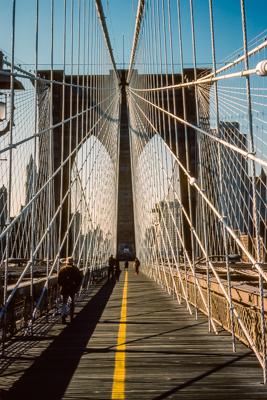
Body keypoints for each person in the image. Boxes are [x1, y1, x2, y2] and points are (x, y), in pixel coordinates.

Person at [58, 257, 82, 324]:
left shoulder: (62, 269)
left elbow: (59, 280)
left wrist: (62, 285)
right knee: (72, 302)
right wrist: (77, 287)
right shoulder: (76, 269)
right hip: (72, 288)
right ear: (72, 262)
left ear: (66, 262)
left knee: (64, 302)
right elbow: (79, 279)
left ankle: (63, 317)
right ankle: (71, 317)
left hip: (64, 288)